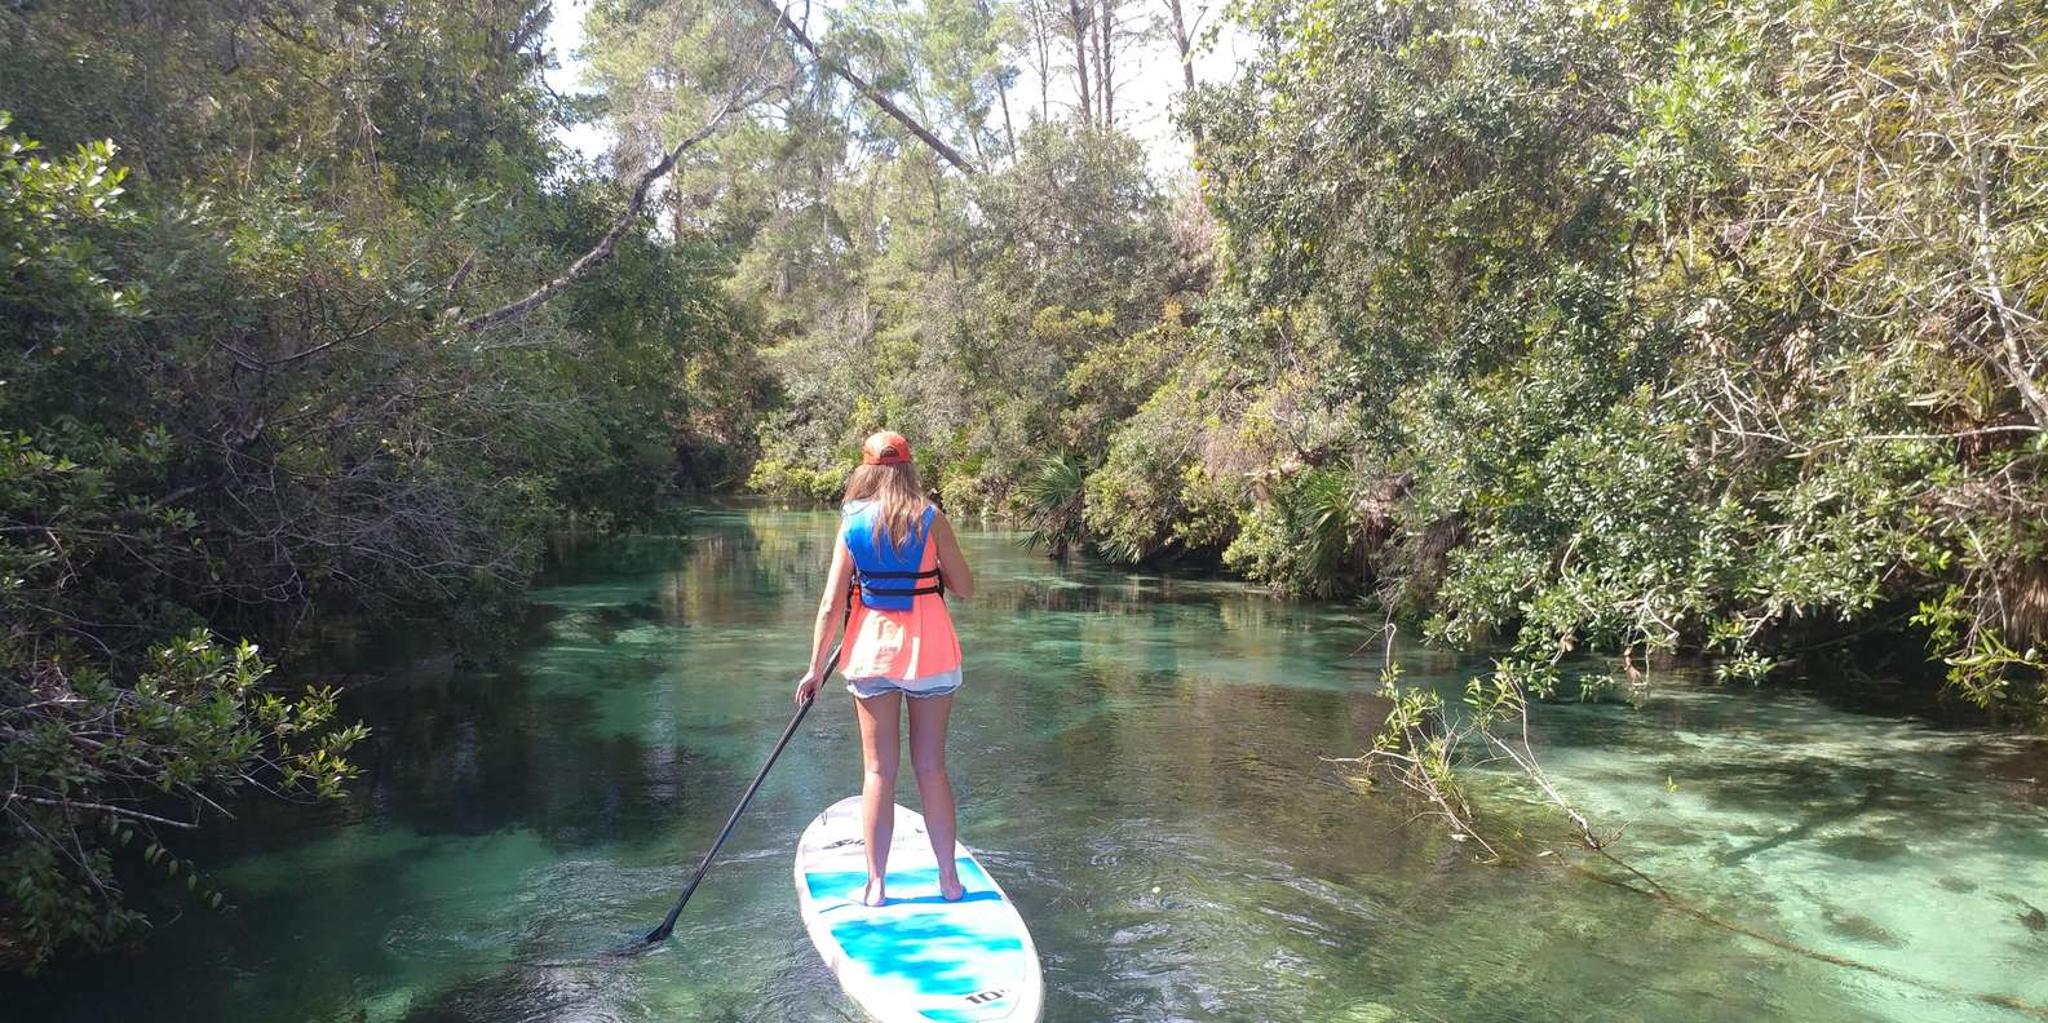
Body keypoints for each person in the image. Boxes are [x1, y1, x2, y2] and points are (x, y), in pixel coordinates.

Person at [796, 431, 975, 906]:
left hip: (872, 653)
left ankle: (876, 885)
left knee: (878, 772)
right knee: (932, 768)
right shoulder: (931, 517)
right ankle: (949, 881)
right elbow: (965, 588)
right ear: (909, 469)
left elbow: (831, 604)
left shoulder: (851, 521)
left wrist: (814, 669)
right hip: (931, 654)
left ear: (866, 470)